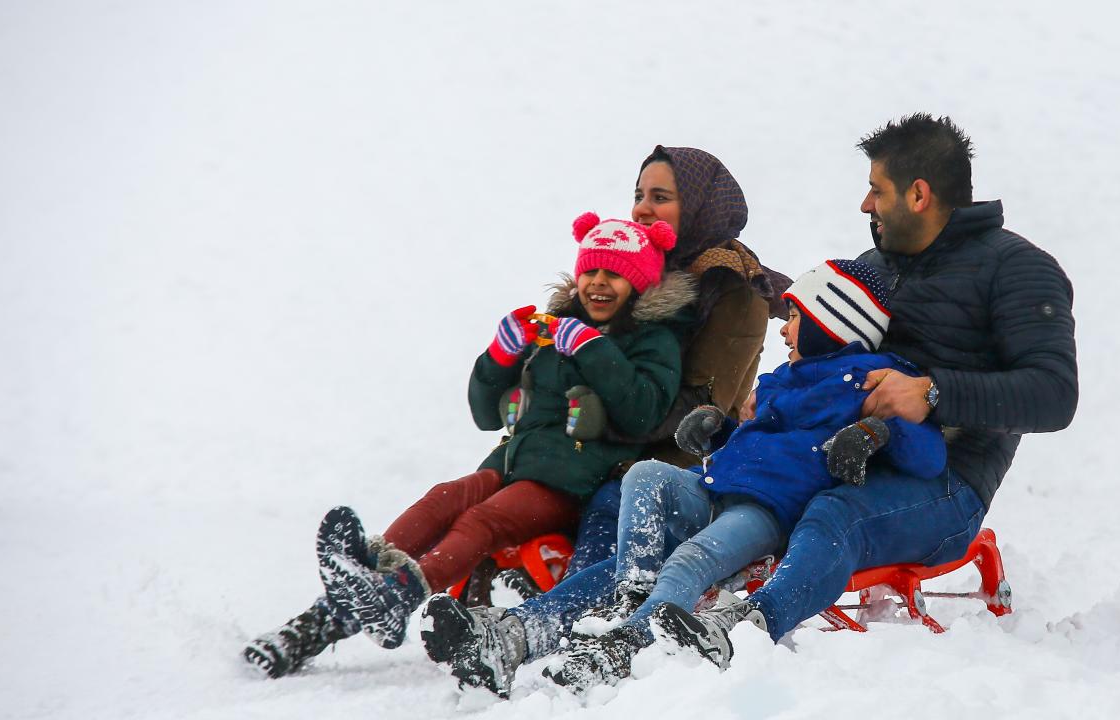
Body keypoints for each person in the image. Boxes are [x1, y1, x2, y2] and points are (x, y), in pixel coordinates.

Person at [651, 113, 1079, 669]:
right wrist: (776, 398)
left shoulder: (1019, 271)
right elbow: (823, 348)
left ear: (919, 194)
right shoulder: (875, 268)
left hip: (945, 480)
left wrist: (931, 393)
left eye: (877, 189)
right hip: (830, 458)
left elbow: (1054, 395)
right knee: (682, 491)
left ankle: (744, 630)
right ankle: (572, 621)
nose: (865, 204)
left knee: (837, 513)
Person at [418, 259, 948, 695]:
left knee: (691, 560)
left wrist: (879, 433)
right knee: (646, 476)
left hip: (765, 513)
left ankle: (626, 645)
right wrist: (717, 433)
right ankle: (541, 628)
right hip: (717, 489)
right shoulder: (784, 379)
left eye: (795, 316)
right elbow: (762, 441)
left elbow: (927, 455)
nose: (784, 328)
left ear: (831, 323)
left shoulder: (876, 380)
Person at [241, 212, 697, 678]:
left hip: (572, 481)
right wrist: (498, 357)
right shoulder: (557, 327)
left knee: (483, 521)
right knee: (443, 497)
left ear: (639, 282)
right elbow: (484, 414)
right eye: (591, 271)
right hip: (511, 463)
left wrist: (590, 347)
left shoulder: (653, 340)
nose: (598, 284)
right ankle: (348, 591)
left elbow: (644, 411)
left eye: (615, 274)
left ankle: (398, 593)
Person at [560, 146, 789, 575]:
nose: (642, 209)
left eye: (660, 197)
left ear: (700, 207)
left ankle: (581, 610)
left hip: (681, 456)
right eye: (639, 194)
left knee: (609, 500)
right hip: (618, 438)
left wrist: (604, 425)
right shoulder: (630, 269)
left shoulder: (733, 291)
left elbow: (704, 407)